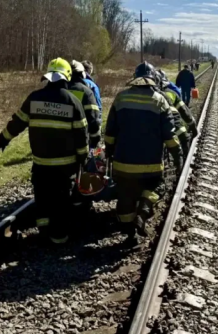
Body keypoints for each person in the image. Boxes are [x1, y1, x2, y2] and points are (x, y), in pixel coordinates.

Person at [0, 58, 88, 244]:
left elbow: (18, 122)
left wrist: (3, 139)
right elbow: (81, 136)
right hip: (65, 167)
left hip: (41, 164)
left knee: (42, 199)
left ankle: (43, 232)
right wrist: (83, 158)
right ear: (67, 77)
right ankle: (58, 238)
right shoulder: (73, 102)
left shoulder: (34, 98)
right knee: (61, 201)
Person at [104, 62, 182, 241]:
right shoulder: (160, 100)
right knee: (157, 186)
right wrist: (178, 157)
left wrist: (109, 152)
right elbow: (170, 136)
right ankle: (143, 211)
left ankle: (129, 233)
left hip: (122, 163)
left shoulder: (120, 98)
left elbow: (110, 132)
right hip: (151, 165)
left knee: (125, 196)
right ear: (153, 79)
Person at [157, 69, 198, 161]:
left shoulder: (146, 95)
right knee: (183, 136)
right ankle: (183, 159)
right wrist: (192, 125)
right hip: (171, 126)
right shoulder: (171, 93)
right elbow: (184, 111)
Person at [69, 61, 102, 148]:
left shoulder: (63, 86)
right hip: (84, 129)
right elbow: (97, 108)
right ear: (90, 70)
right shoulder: (91, 86)